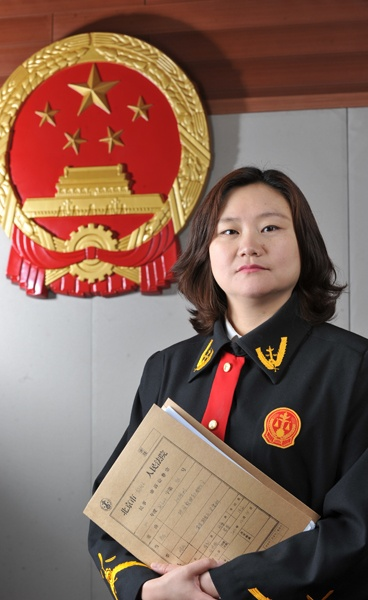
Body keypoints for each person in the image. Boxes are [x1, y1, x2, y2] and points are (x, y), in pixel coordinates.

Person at [88, 166, 368, 600]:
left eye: (270, 227)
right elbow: (112, 513)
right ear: (207, 252)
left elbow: (356, 529)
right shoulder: (166, 368)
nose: (249, 246)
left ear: (304, 244)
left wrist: (215, 586)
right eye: (229, 231)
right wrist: (145, 590)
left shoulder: (354, 367)